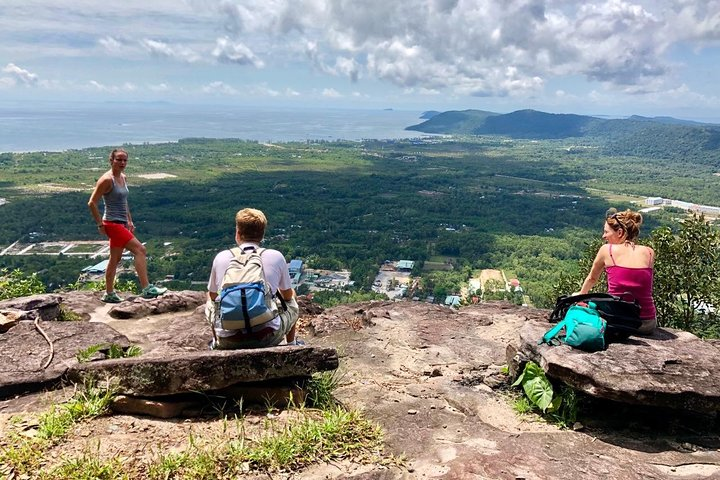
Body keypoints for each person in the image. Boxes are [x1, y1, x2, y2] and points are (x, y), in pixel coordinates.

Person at [206, 208, 301, 349]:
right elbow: (287, 295)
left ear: (238, 233)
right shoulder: (275, 256)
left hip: (229, 339)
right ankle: (292, 344)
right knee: (292, 295)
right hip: (267, 337)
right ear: (262, 235)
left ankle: (216, 342)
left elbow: (214, 296)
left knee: (210, 297)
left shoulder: (221, 257)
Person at [88, 148, 167, 303]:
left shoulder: (123, 177)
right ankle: (146, 288)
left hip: (121, 223)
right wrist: (100, 224)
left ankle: (109, 293)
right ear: (111, 161)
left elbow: (123, 202)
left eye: (125, 160)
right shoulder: (106, 180)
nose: (122, 163)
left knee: (114, 259)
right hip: (112, 223)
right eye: (119, 159)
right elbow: (92, 203)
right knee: (140, 249)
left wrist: (129, 220)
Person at [579, 208, 656, 334]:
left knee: (582, 308)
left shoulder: (607, 250)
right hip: (648, 323)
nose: (603, 236)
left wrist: (580, 297)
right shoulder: (649, 252)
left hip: (618, 321)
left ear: (620, 232)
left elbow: (592, 279)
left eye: (606, 232)